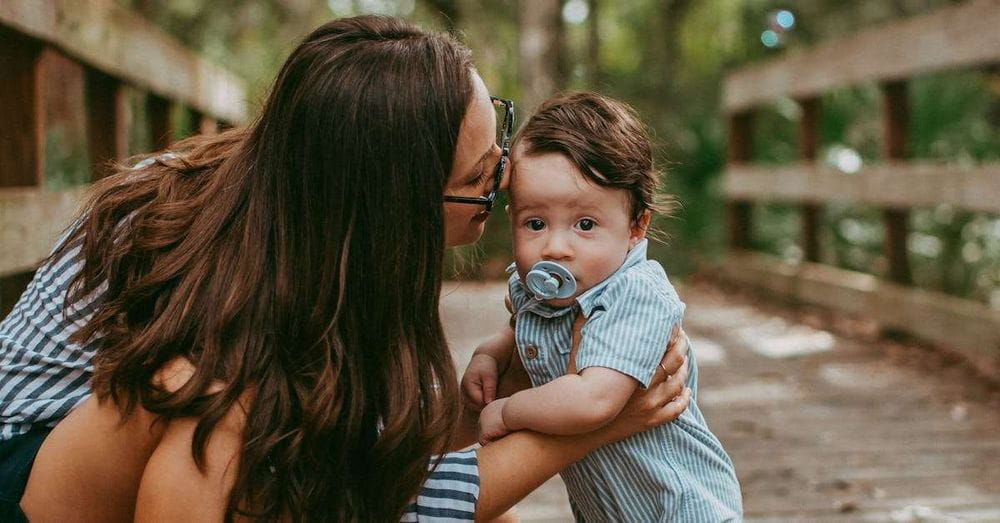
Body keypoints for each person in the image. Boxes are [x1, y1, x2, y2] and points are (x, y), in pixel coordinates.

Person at [0, 16, 692, 522]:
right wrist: (596, 424)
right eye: (481, 176)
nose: (506, 179)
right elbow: (367, 494)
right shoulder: (187, 229)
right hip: (33, 474)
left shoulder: (341, 244)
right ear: (395, 200)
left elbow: (378, 460)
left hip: (162, 473)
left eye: (500, 134)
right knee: (207, 396)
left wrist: (492, 395)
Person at [463, 92, 742, 521]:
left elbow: (592, 401)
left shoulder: (634, 295)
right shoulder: (538, 286)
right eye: (535, 223)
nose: (556, 247)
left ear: (636, 226)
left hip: (678, 510)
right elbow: (525, 322)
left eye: (585, 225)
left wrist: (508, 411)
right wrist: (493, 352)